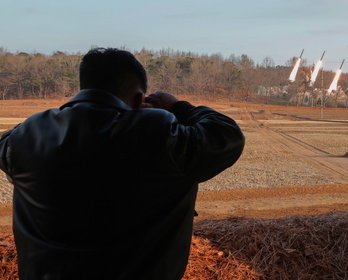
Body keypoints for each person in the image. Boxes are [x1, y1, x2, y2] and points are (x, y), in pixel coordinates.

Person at [0, 48, 244, 279]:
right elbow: (226, 136)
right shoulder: (158, 134)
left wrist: (66, 114)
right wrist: (178, 107)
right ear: (140, 98)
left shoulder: (26, 136)